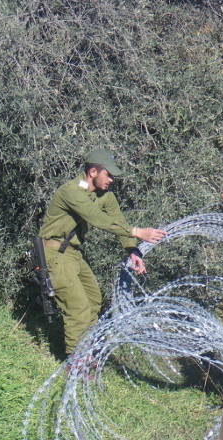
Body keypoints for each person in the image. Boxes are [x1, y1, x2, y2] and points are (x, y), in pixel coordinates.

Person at [37, 148, 166, 356]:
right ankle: (76, 361)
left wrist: (133, 250)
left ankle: (86, 351)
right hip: (54, 253)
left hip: (73, 254)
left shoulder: (105, 195)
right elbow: (96, 217)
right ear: (93, 172)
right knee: (78, 307)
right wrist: (137, 231)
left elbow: (117, 221)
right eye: (109, 174)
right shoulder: (71, 191)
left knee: (93, 300)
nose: (112, 180)